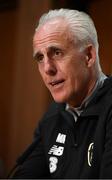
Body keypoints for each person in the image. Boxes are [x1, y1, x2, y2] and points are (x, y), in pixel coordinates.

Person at [10, 8, 112, 179]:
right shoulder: (52, 116)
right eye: (40, 58)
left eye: (57, 53)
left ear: (88, 56)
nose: (47, 68)